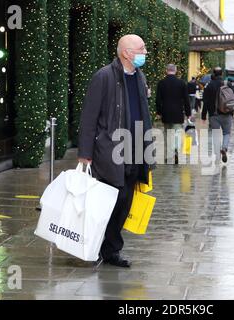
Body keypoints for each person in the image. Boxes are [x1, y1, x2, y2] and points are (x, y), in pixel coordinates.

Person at [78, 34, 153, 268]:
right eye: (141, 49)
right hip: (111, 151)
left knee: (125, 203)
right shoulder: (104, 76)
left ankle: (111, 250)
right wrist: (85, 152)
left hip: (135, 150)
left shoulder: (139, 77)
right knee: (110, 201)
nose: (145, 53)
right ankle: (97, 246)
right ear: (126, 53)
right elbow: (89, 117)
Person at [156, 64, 191, 164]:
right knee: (177, 133)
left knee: (167, 134)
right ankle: (175, 149)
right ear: (175, 71)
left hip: (166, 112)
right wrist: (188, 113)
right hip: (178, 112)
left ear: (166, 70)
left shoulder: (161, 83)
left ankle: (169, 155)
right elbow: (186, 100)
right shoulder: (181, 83)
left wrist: (159, 112)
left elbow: (158, 100)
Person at [201, 67, 233, 164]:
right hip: (227, 113)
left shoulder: (209, 85)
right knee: (226, 133)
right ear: (222, 73)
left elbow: (205, 101)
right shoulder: (227, 84)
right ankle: (224, 148)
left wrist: (203, 115)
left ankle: (217, 154)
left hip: (213, 114)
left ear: (213, 74)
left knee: (215, 134)